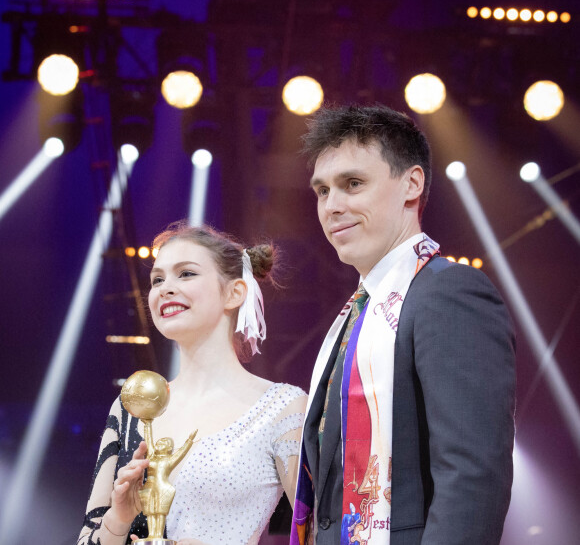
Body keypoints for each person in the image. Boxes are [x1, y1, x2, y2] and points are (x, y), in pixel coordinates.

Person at [291, 104, 516, 545]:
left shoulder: (448, 293)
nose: (332, 206)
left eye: (352, 184)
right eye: (321, 191)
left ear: (411, 184)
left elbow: (471, 476)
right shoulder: (355, 313)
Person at [78, 222, 307, 545]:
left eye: (186, 274)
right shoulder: (131, 408)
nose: (165, 288)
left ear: (234, 292)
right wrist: (119, 517)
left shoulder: (283, 408)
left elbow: (316, 532)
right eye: (157, 279)